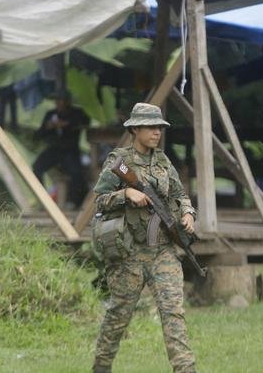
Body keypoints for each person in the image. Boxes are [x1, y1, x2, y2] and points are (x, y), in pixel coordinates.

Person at [91, 103, 198, 373]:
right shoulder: (119, 161)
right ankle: (101, 368)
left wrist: (188, 214)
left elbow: (179, 194)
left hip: (162, 251)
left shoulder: (162, 161)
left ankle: (186, 369)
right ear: (135, 129)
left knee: (173, 312)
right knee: (118, 315)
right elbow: (99, 202)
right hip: (129, 255)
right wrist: (125, 195)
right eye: (150, 127)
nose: (156, 132)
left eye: (159, 127)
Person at [32, 89, 90, 207]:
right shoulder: (50, 114)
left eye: (63, 101)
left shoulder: (76, 113)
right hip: (54, 149)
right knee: (37, 167)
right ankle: (42, 198)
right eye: (58, 101)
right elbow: (39, 134)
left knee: (76, 173)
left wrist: (67, 124)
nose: (60, 103)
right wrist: (48, 127)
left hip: (70, 149)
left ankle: (74, 202)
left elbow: (85, 121)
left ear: (68, 102)